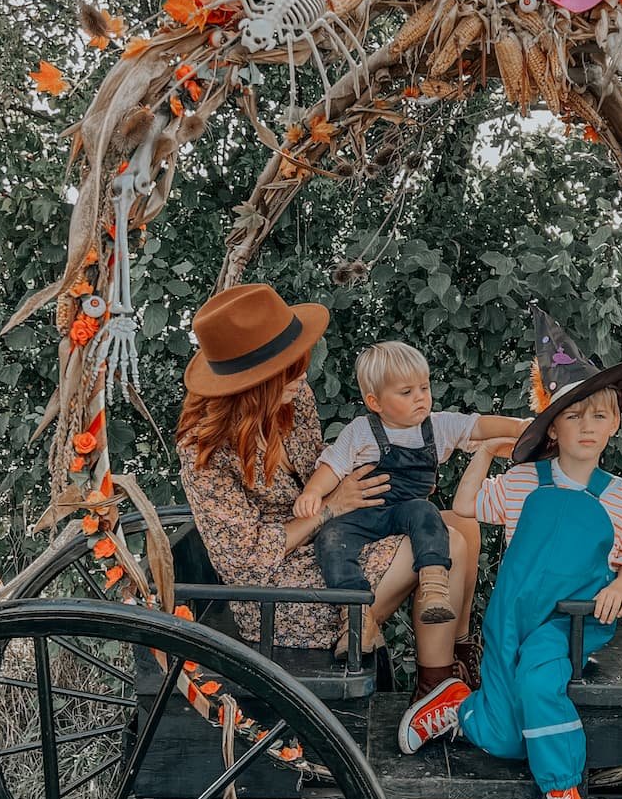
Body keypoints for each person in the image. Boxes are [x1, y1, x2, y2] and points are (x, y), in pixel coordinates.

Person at [397, 307, 622, 799]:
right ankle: (461, 710)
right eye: (573, 417)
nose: (588, 427)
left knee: (540, 682)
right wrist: (487, 454)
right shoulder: (522, 483)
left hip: (573, 620)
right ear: (552, 429)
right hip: (514, 612)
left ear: (615, 423)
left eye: (599, 415)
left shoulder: (619, 496)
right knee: (506, 729)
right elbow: (466, 509)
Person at [176, 283, 476, 696]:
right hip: (276, 589)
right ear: (252, 384)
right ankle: (432, 686)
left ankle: (449, 670)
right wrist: (330, 508)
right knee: (451, 543)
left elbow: (324, 466)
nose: (303, 374)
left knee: (459, 524)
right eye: (288, 369)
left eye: (299, 361)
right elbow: (246, 559)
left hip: (330, 539)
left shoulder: (295, 399)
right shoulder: (203, 451)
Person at [293, 340, 525, 649]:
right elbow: (333, 466)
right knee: (331, 538)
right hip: (362, 514)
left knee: (426, 514)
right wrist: (313, 491)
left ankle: (433, 584)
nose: (420, 398)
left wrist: (521, 427)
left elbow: (478, 425)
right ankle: (356, 612)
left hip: (406, 513)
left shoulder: (436, 427)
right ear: (375, 402)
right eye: (406, 392)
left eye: (424, 388)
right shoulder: (362, 430)